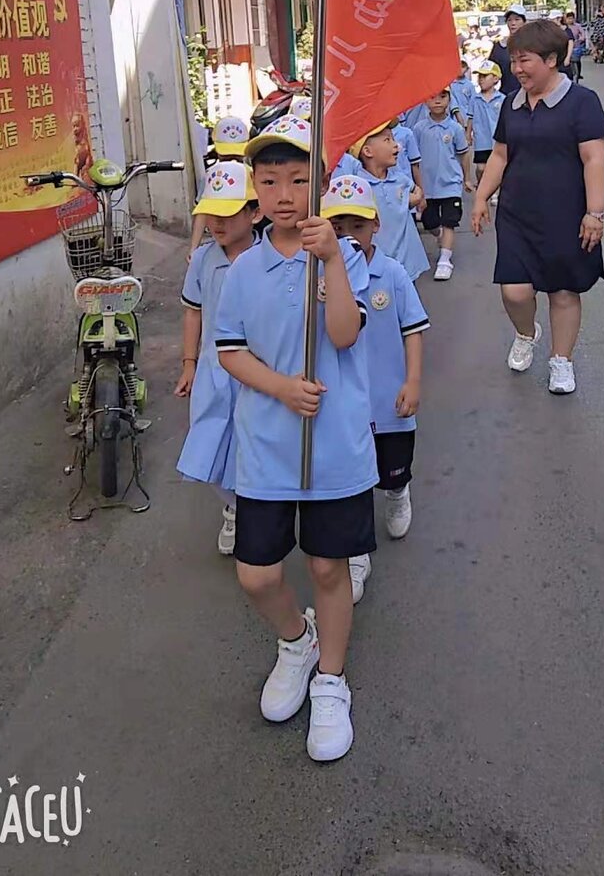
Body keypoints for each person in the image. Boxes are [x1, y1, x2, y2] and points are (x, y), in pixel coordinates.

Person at [214, 114, 377, 763]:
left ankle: (331, 681)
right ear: (254, 190)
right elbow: (231, 351)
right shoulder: (242, 271)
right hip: (267, 449)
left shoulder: (344, 258)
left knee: (327, 567)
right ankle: (295, 640)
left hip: (333, 446)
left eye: (300, 178)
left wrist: (332, 257)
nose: (285, 192)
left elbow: (343, 333)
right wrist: (281, 387)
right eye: (271, 179)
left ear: (321, 185)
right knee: (256, 574)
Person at [471, 19, 604, 396]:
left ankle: (561, 360)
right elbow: (500, 154)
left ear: (551, 60)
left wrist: (594, 213)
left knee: (563, 291)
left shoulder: (582, 102)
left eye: (524, 60)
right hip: (516, 213)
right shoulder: (512, 105)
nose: (516, 69)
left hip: (566, 214)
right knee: (514, 291)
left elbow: (594, 159)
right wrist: (482, 197)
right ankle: (526, 333)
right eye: (514, 61)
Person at [322, 175, 430, 603]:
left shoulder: (393, 275)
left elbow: (414, 331)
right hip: (344, 405)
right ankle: (356, 554)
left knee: (390, 471)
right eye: (338, 226)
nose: (348, 236)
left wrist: (413, 381)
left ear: (375, 226)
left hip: (389, 403)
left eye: (357, 226)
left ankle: (399, 492)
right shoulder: (322, 276)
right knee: (352, 482)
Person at [174, 162, 261, 553]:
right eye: (212, 213)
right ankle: (233, 506)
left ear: (253, 212)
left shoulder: (267, 257)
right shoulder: (204, 260)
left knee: (250, 442)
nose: (217, 223)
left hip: (256, 371)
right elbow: (194, 310)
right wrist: (189, 363)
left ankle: (255, 506)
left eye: (228, 213)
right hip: (212, 370)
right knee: (209, 441)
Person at [352, 123, 429, 282]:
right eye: (387, 140)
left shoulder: (399, 178)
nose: (397, 145)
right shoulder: (359, 185)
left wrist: (414, 199)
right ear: (367, 151)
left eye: (394, 139)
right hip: (375, 263)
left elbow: (417, 191)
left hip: (406, 262)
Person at [413, 90, 471, 281]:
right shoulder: (419, 129)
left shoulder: (454, 128)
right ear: (425, 101)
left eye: (442, 96)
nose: (437, 101)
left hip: (450, 184)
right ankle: (440, 237)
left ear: (449, 99)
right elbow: (414, 160)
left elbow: (463, 154)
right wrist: (416, 185)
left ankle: (445, 260)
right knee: (430, 222)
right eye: (432, 97)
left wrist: (466, 178)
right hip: (428, 187)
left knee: (450, 221)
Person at [189, 115, 250, 258]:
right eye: (227, 156)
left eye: (236, 155)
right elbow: (202, 213)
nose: (232, 160)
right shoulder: (211, 176)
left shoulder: (252, 175)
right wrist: (194, 248)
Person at [471, 60, 505, 195]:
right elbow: (470, 117)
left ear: (496, 78)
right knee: (481, 168)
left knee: (497, 166)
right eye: (479, 76)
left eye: (485, 76)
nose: (481, 79)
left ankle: (494, 192)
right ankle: (482, 184)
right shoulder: (475, 99)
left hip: (496, 138)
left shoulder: (502, 98)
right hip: (481, 139)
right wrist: (468, 134)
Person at [489, 4, 526, 96]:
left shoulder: (534, 44)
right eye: (510, 20)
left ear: (524, 22)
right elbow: (491, 69)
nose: (513, 23)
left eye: (517, 19)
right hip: (506, 95)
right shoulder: (499, 46)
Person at [564, 11, 586, 81]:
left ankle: (578, 74)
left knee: (577, 59)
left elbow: (583, 34)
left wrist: (581, 38)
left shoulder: (577, 26)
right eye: (569, 18)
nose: (570, 20)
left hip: (576, 45)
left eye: (572, 18)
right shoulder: (565, 27)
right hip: (567, 45)